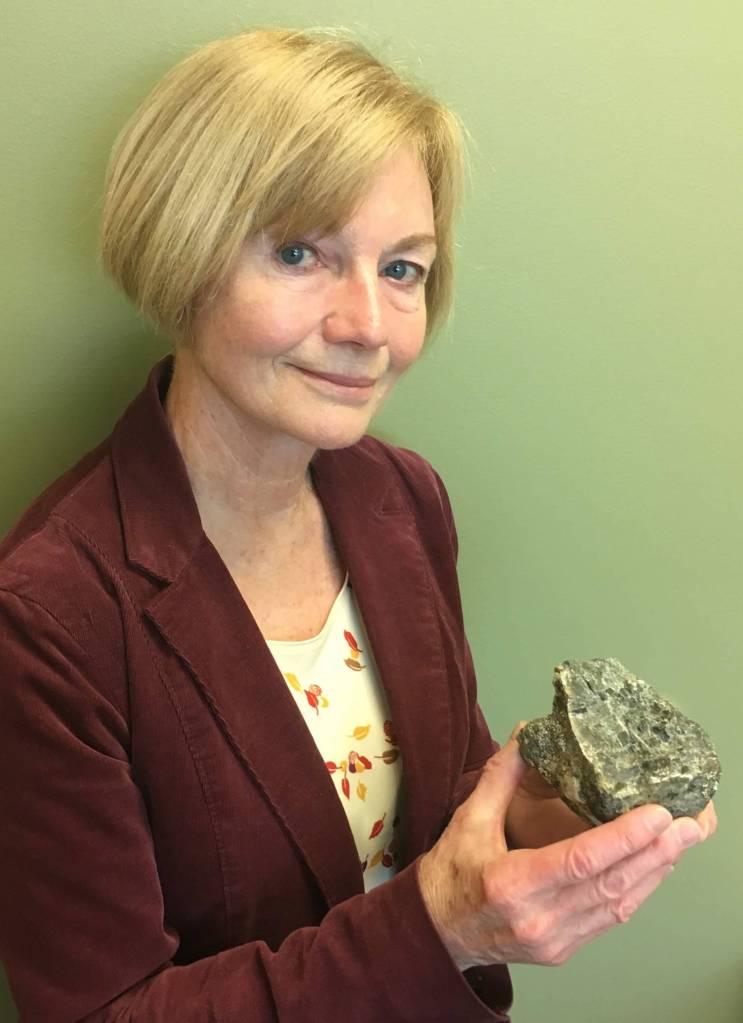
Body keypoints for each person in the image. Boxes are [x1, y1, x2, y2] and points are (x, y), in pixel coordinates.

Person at [0, 26, 716, 1023]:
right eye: (300, 253)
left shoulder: (399, 499)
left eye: (402, 269)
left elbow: (440, 804)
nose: (368, 326)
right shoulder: (49, 618)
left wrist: (553, 819)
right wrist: (442, 927)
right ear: (181, 249)